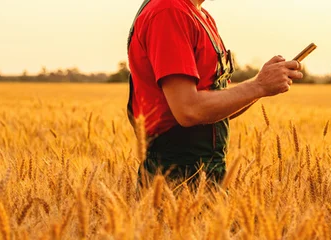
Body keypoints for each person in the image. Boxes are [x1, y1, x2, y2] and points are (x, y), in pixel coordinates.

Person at [126, 0, 304, 184]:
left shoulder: (200, 15)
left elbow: (212, 105)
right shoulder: (169, 12)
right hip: (177, 173)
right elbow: (188, 110)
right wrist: (258, 85)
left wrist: (263, 85)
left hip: (208, 170)